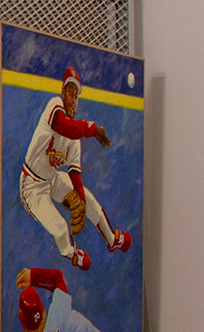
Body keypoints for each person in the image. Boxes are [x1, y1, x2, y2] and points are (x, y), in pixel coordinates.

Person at [19, 66, 130, 270]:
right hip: (31, 185)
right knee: (60, 228)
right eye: (70, 92)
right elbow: (64, 126)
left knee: (88, 198)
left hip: (51, 180)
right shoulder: (54, 107)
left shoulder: (74, 142)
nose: (73, 98)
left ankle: (112, 239)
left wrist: (80, 200)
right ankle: (71, 253)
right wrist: (92, 129)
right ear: (62, 92)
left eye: (76, 95)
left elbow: (75, 175)